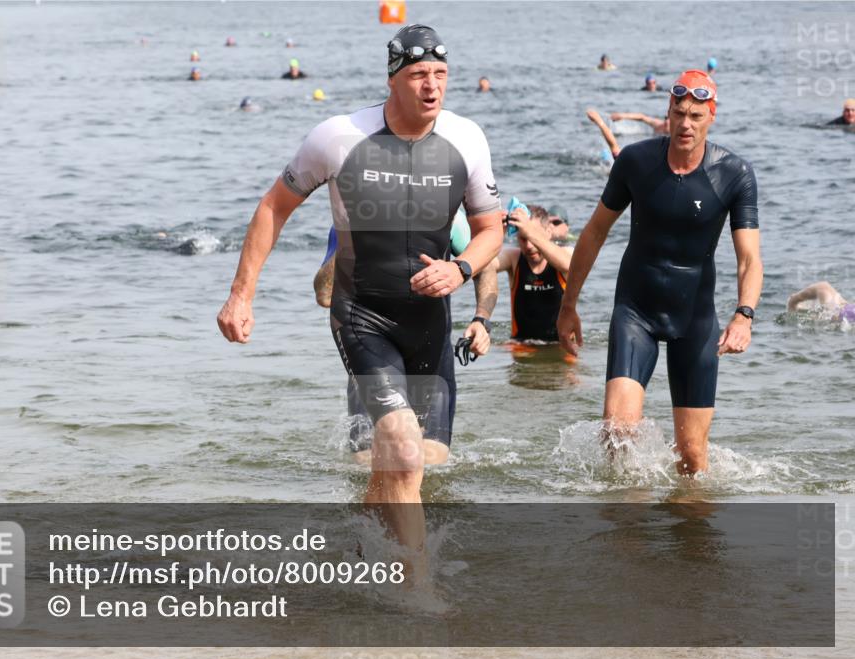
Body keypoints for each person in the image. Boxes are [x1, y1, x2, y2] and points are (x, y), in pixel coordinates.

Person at [217, 24, 502, 576]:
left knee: (417, 463)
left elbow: (491, 229)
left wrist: (460, 269)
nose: (432, 87)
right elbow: (274, 207)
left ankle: (361, 547)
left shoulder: (468, 139)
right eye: (419, 75)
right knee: (400, 443)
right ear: (393, 78)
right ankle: (416, 587)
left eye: (440, 75)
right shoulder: (339, 136)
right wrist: (240, 296)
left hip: (430, 325)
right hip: (362, 314)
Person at [557, 69, 763, 476]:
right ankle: (628, 529)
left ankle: (687, 536)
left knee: (692, 457)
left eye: (696, 116)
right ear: (668, 111)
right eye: (679, 113)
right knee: (617, 433)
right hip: (636, 312)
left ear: (712, 116)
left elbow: (749, 259)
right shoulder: (636, 161)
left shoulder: (734, 174)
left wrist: (744, 315)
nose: (685, 124)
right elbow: (595, 232)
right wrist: (569, 305)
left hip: (695, 321)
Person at [314, 214, 496, 462]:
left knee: (430, 462)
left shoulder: (449, 216)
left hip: (430, 351)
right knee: (366, 463)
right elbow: (325, 295)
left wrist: (481, 319)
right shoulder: (351, 218)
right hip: (370, 349)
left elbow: (485, 266)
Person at [479, 206, 572, 343]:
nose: (529, 246)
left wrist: (529, 232)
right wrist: (496, 233)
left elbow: (569, 265)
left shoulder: (566, 253)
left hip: (561, 345)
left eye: (532, 237)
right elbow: (484, 264)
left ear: (548, 232)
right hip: (522, 345)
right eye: (523, 239)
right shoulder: (514, 259)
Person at [788, 282, 855, 322]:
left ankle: (793, 304)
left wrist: (793, 301)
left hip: (840, 315)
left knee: (823, 287)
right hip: (843, 313)